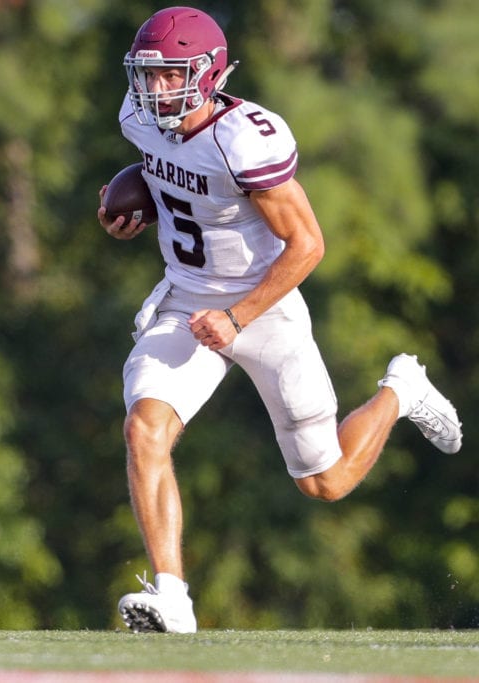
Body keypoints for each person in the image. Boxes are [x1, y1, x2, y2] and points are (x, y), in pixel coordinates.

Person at [96, 7, 462, 634]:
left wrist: (238, 317)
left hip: (263, 304)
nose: (155, 90)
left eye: (171, 75)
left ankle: (400, 390)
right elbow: (177, 190)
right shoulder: (139, 121)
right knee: (143, 428)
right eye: (148, 75)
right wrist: (133, 211)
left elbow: (309, 245)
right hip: (186, 298)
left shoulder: (245, 139)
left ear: (208, 74)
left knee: (325, 482)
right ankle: (173, 598)